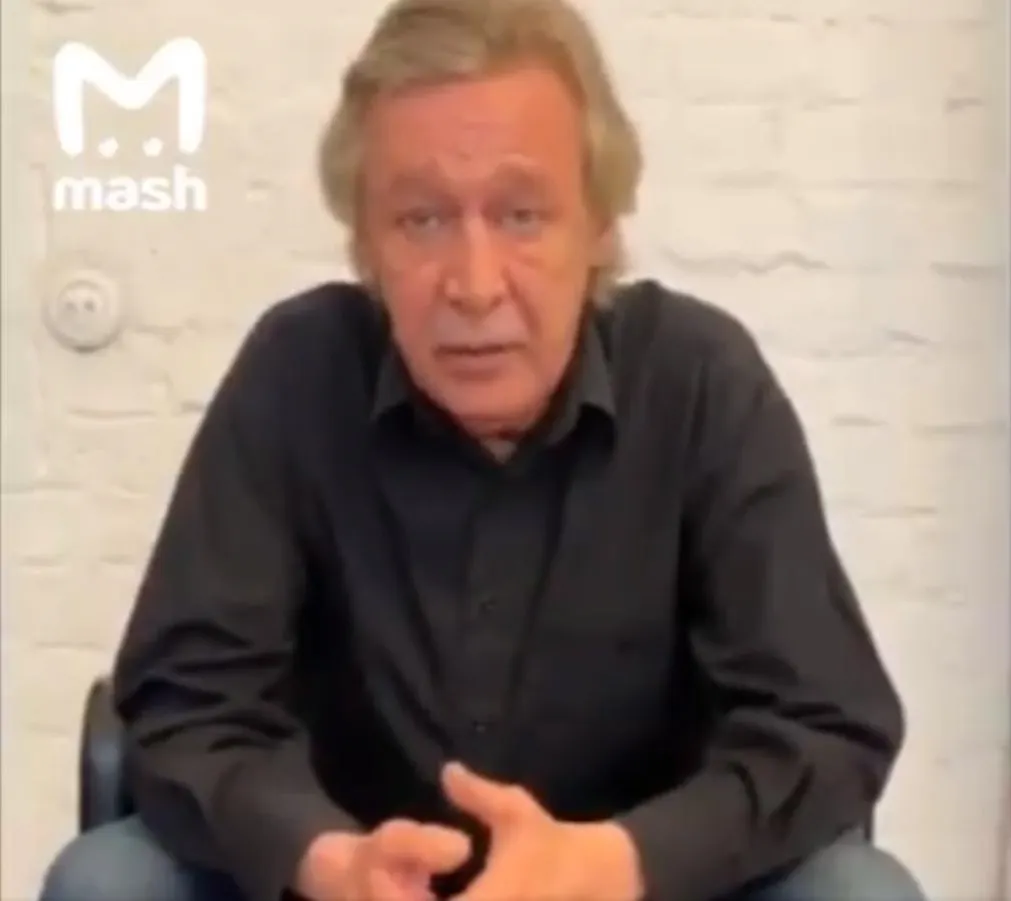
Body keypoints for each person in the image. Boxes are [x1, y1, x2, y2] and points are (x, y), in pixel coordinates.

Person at [39, 0, 929, 899]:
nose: (472, 285)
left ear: (599, 225)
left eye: (522, 215)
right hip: (349, 888)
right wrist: (329, 859)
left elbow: (824, 720)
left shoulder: (697, 380)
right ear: (365, 242)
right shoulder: (298, 372)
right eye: (421, 220)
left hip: (632, 889)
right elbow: (186, 700)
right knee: (108, 881)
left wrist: (613, 863)